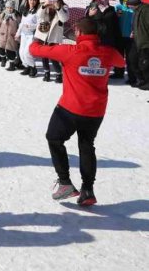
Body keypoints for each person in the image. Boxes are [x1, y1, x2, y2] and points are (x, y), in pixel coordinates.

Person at [30, 17, 126, 206]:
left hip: (70, 108)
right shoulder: (108, 52)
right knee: (87, 145)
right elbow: (121, 63)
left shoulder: (71, 51)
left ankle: (65, 182)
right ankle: (88, 190)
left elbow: (34, 50)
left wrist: (39, 35)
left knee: (54, 139)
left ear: (79, 33)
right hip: (96, 111)